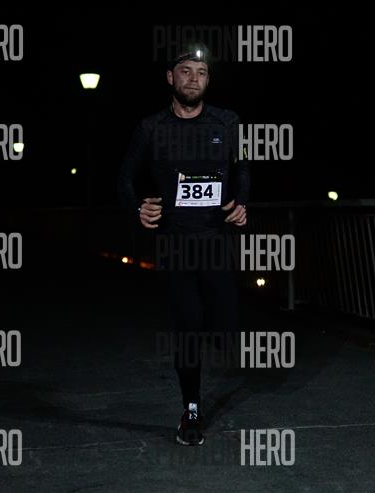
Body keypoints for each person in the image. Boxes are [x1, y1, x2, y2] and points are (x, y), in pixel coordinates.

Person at [117, 44, 250, 445]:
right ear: (170, 78)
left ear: (209, 80)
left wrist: (242, 203)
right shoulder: (151, 127)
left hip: (216, 240)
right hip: (174, 244)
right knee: (188, 327)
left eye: (201, 72)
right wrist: (137, 208)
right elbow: (124, 178)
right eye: (186, 71)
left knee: (226, 331)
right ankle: (191, 409)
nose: (194, 79)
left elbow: (242, 168)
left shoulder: (227, 121)